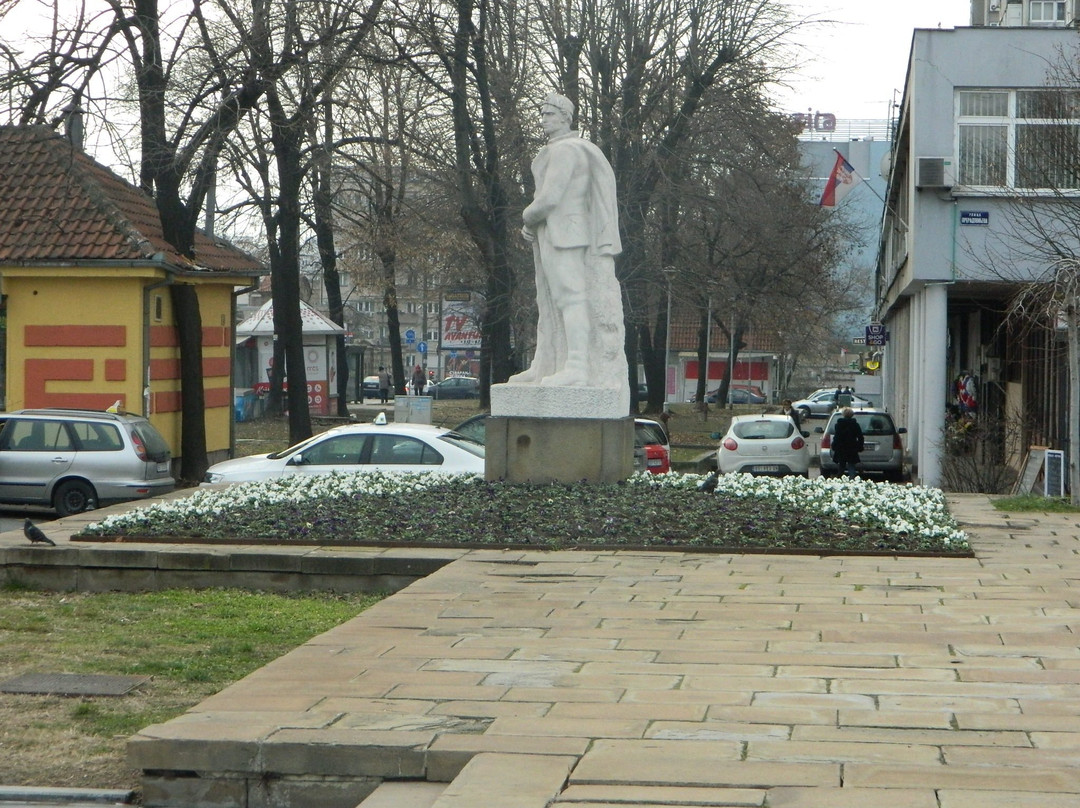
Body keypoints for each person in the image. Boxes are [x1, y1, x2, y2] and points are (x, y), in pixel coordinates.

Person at [508, 92, 627, 390]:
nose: (543, 119)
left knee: (570, 298)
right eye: (543, 114)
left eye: (549, 114)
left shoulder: (565, 150)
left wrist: (527, 217)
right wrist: (534, 225)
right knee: (549, 302)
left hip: (566, 235)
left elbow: (550, 198)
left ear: (564, 117)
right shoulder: (568, 149)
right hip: (556, 232)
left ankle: (577, 367)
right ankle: (545, 363)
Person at [831, 407, 865, 478]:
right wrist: (860, 446)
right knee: (851, 465)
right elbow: (860, 437)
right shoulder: (855, 425)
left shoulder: (839, 425)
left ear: (843, 414)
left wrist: (834, 446)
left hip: (841, 448)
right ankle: (852, 480)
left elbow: (837, 437)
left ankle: (839, 481)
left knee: (841, 466)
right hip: (852, 448)